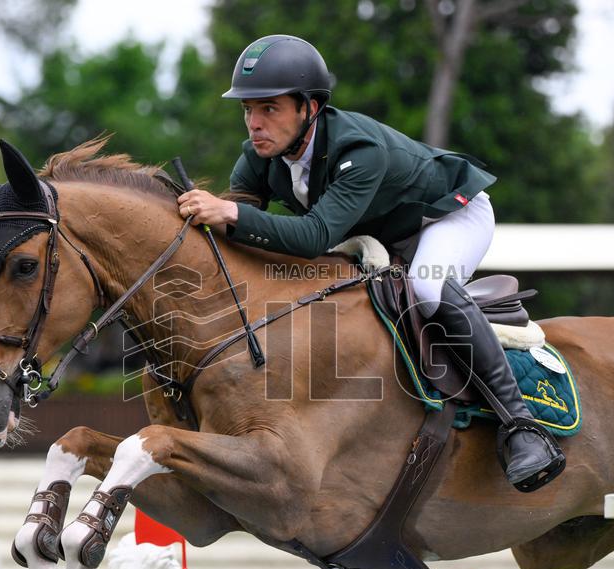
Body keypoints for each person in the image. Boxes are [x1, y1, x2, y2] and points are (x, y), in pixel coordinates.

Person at [176, 34, 564, 492]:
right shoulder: (258, 158)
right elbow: (236, 240)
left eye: (269, 109)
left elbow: (314, 236)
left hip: (450, 214)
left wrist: (232, 213)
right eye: (248, 110)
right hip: (383, 232)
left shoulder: (357, 150)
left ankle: (523, 428)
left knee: (426, 287)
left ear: (309, 108)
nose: (254, 124)